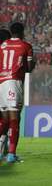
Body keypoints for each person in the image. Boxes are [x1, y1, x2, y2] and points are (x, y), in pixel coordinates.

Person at [0, 22, 34, 163]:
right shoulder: (26, 45)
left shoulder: (2, 45)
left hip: (2, 82)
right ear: (22, 32)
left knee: (5, 119)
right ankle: (12, 155)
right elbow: (29, 68)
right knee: (15, 118)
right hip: (14, 82)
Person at [0, 29, 11, 160]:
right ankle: (5, 150)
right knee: (7, 119)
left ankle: (5, 150)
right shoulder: (5, 50)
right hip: (5, 86)